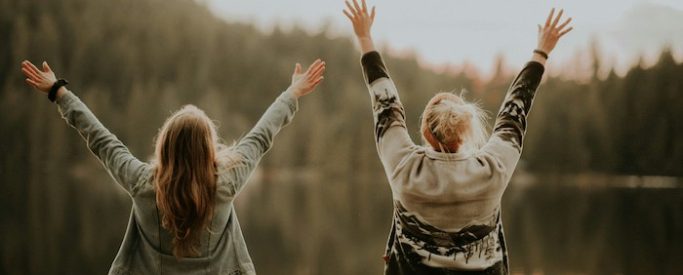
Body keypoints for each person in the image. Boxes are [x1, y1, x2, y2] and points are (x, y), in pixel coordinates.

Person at [20, 58, 325, 274]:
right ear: (208, 149)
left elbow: (101, 139)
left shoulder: (142, 183)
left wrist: (58, 92)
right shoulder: (225, 184)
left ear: (164, 147)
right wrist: (292, 93)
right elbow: (261, 136)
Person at [343, 1, 573, 274]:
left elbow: (385, 102)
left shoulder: (405, 168)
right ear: (464, 133)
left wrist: (365, 37)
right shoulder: (491, 170)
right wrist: (541, 52)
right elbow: (515, 111)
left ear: (426, 132)